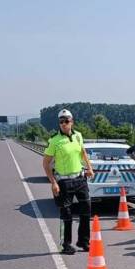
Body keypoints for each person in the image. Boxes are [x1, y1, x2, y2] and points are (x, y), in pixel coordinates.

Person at [43, 109, 94, 255]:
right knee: (67, 214)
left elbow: (83, 152)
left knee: (86, 211)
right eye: (61, 122)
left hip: (80, 178)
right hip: (64, 182)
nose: (64, 124)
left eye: (66, 121)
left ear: (72, 121)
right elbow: (46, 164)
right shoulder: (54, 141)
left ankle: (84, 241)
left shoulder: (78, 136)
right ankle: (66, 244)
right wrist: (53, 182)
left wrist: (89, 168)